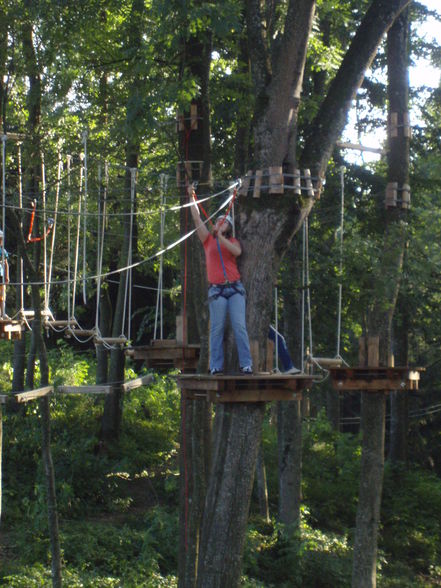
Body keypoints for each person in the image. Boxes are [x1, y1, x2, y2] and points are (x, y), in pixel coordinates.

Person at [189, 186, 253, 375]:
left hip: (235, 289)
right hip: (216, 291)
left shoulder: (232, 242)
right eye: (218, 220)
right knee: (216, 329)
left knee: (239, 326)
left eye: (223, 221)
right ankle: (216, 366)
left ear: (228, 227)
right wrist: (191, 196)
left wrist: (220, 238)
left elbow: (237, 252)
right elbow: (196, 218)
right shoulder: (208, 240)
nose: (219, 222)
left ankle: (246, 363)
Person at [0, 230, 9, 319]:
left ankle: (3, 313)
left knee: (2, 295)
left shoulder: (3, 251)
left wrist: (7, 276)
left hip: (1, 275)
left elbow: (6, 263)